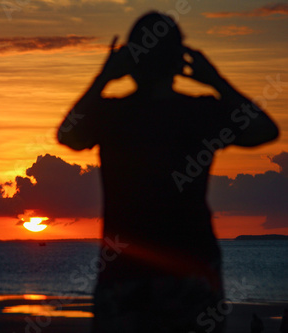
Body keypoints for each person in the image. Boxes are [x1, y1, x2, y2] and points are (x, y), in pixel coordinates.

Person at [58, 11, 279, 333]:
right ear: (179, 62)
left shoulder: (111, 115)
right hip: (192, 273)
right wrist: (217, 81)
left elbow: (68, 134)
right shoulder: (201, 112)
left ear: (132, 62)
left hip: (125, 275)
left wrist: (104, 76)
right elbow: (263, 129)